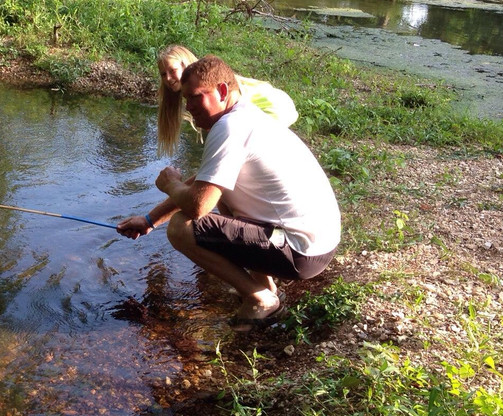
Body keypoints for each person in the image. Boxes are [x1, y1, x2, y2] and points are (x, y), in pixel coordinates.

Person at [118, 55, 340, 321]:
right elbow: (203, 181)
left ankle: (261, 298)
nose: (189, 106)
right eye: (186, 99)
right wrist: (149, 220)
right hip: (316, 245)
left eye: (196, 97)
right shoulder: (246, 115)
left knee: (181, 227)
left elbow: (197, 205)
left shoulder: (229, 127)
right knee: (220, 196)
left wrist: (170, 184)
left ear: (222, 91)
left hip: (300, 251)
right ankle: (267, 287)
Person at [156, 44, 297, 158]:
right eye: (163, 74)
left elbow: (228, 126)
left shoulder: (208, 83)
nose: (168, 78)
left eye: (172, 70)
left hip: (275, 109)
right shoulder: (192, 89)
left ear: (184, 65)